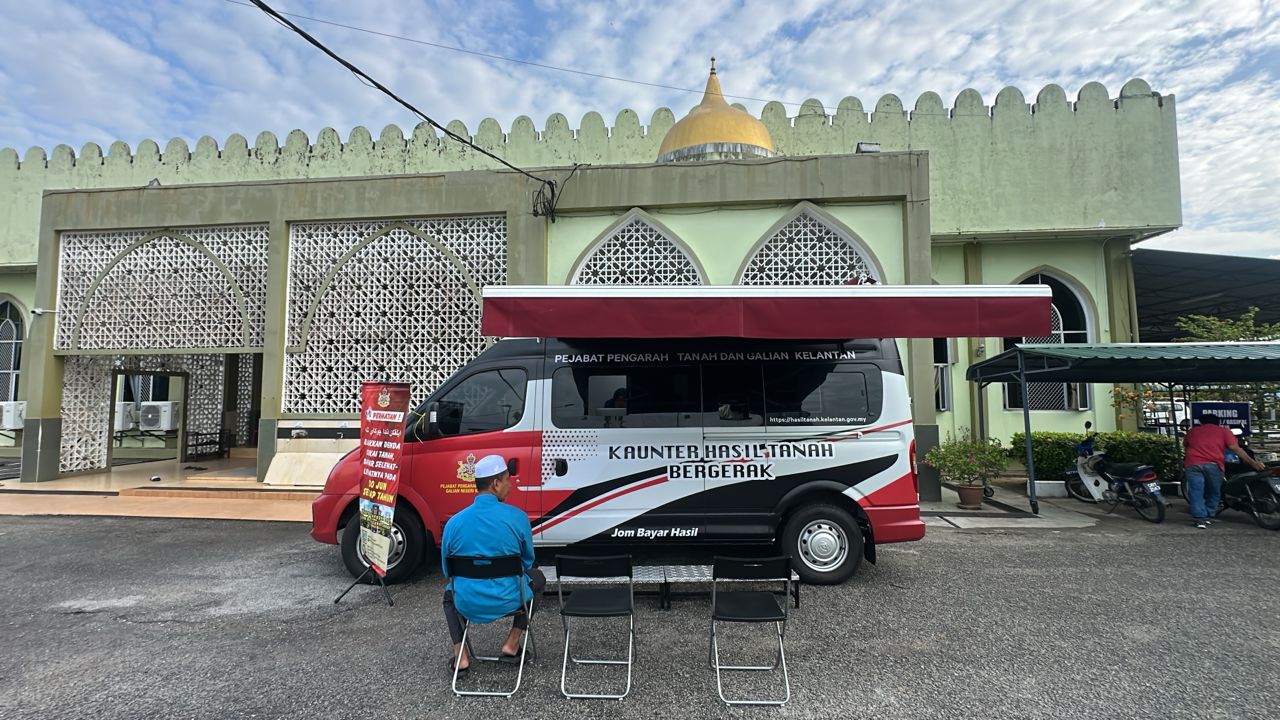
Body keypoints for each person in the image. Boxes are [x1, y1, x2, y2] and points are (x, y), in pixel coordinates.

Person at [441, 454, 545, 671]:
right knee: (538, 578)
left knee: (449, 596)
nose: (510, 485)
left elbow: (446, 570)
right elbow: (527, 561)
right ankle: (512, 641)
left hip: (467, 602)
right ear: (496, 484)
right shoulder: (518, 518)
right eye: (507, 480)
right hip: (509, 599)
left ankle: (461, 655)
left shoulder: (454, 523)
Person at [1183, 414, 1263, 528]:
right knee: (1215, 492)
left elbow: (1185, 444)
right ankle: (1209, 514)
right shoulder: (1224, 431)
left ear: (1201, 423)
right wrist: (1253, 463)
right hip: (1213, 465)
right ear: (1218, 423)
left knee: (1196, 492)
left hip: (1193, 464)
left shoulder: (1192, 431)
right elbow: (1235, 448)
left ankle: (1199, 519)